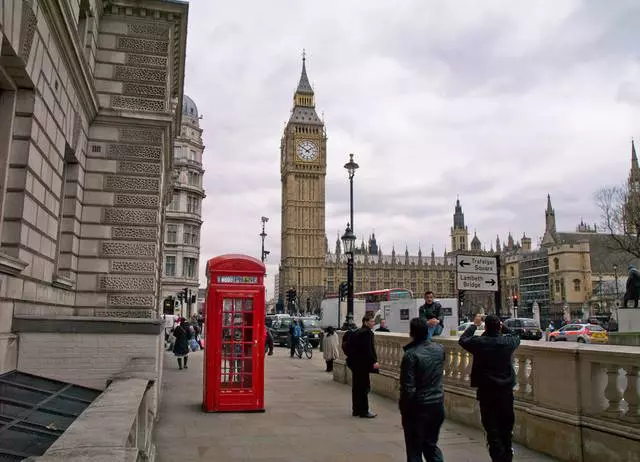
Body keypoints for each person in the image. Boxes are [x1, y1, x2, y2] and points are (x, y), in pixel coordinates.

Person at [459, 314, 520, 462]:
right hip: (505, 392)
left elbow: (463, 340)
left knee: (492, 429)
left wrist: (474, 324)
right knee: (506, 427)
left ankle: (498, 457)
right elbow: (515, 334)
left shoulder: (480, 343)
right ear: (499, 327)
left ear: (485, 327)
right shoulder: (508, 342)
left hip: (486, 391)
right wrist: (501, 324)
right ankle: (507, 455)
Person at [400, 317, 446, 462]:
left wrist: (404, 408)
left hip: (418, 407)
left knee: (414, 449)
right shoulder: (440, 349)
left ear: (411, 333)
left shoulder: (410, 355)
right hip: (437, 404)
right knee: (431, 445)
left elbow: (408, 388)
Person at [349, 314, 380, 418]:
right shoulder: (367, 333)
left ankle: (356, 409)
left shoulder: (357, 332)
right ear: (366, 322)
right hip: (363, 365)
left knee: (356, 387)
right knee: (364, 387)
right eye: (371, 321)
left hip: (355, 364)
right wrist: (374, 361)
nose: (373, 323)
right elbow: (368, 350)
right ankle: (364, 411)